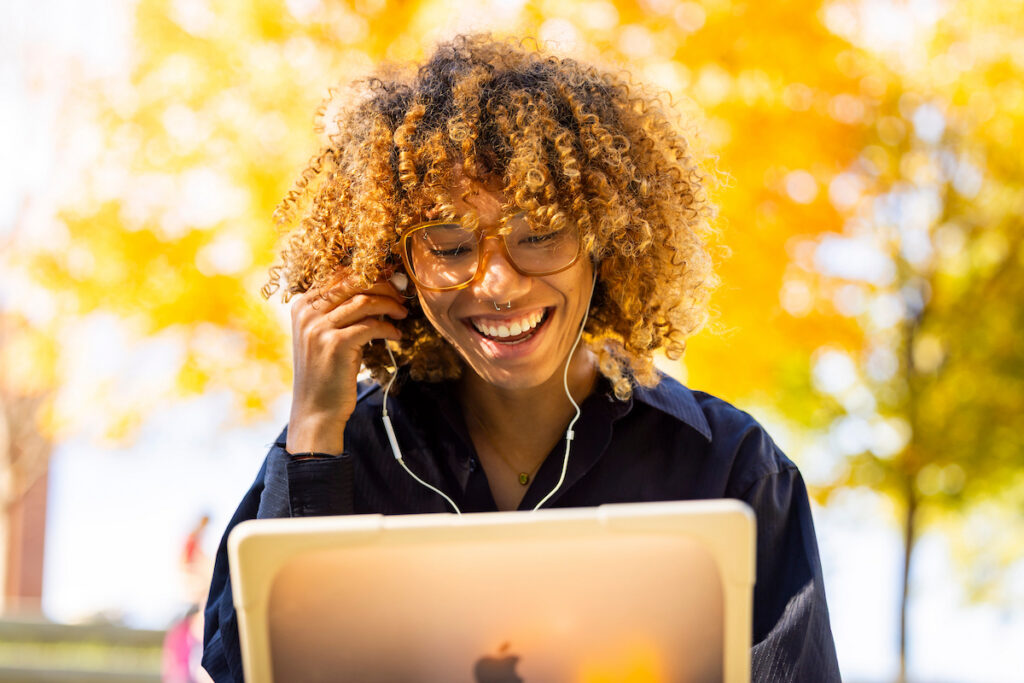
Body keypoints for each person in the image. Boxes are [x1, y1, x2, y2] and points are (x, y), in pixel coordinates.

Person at [202, 34, 841, 682]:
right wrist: (313, 429)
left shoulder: (730, 467)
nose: (498, 283)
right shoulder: (342, 447)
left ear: (605, 238)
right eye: (449, 246)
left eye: (538, 235)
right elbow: (240, 669)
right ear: (395, 264)